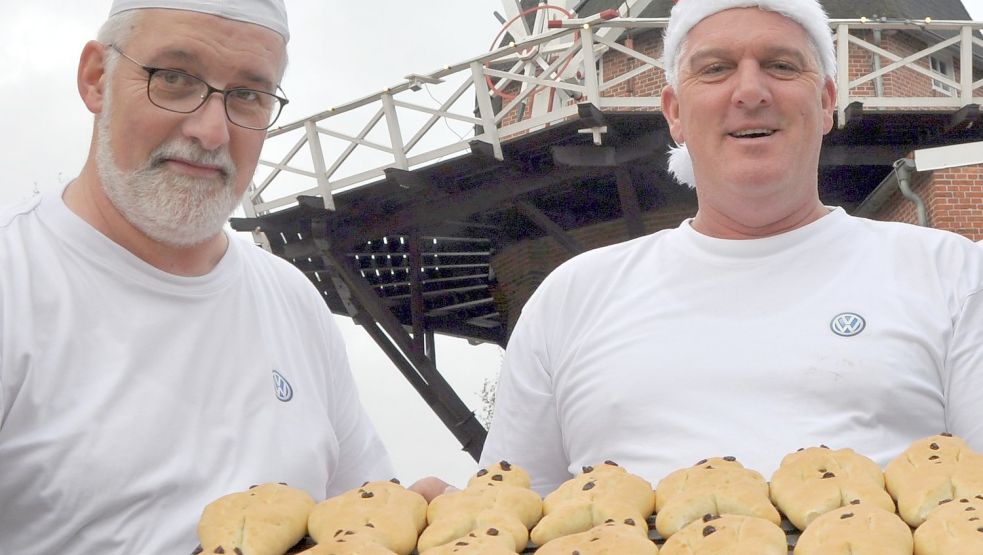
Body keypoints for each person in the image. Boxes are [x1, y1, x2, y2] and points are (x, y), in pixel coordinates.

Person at [474, 0, 983, 496]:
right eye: (715, 69)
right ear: (673, 111)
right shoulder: (572, 296)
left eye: (781, 66)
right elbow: (506, 512)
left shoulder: (953, 276)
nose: (749, 91)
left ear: (827, 101)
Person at [0, 1, 393, 552]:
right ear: (96, 79)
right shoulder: (14, 280)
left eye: (248, 95)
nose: (211, 132)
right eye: (176, 79)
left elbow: (364, 517)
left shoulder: (292, 300)